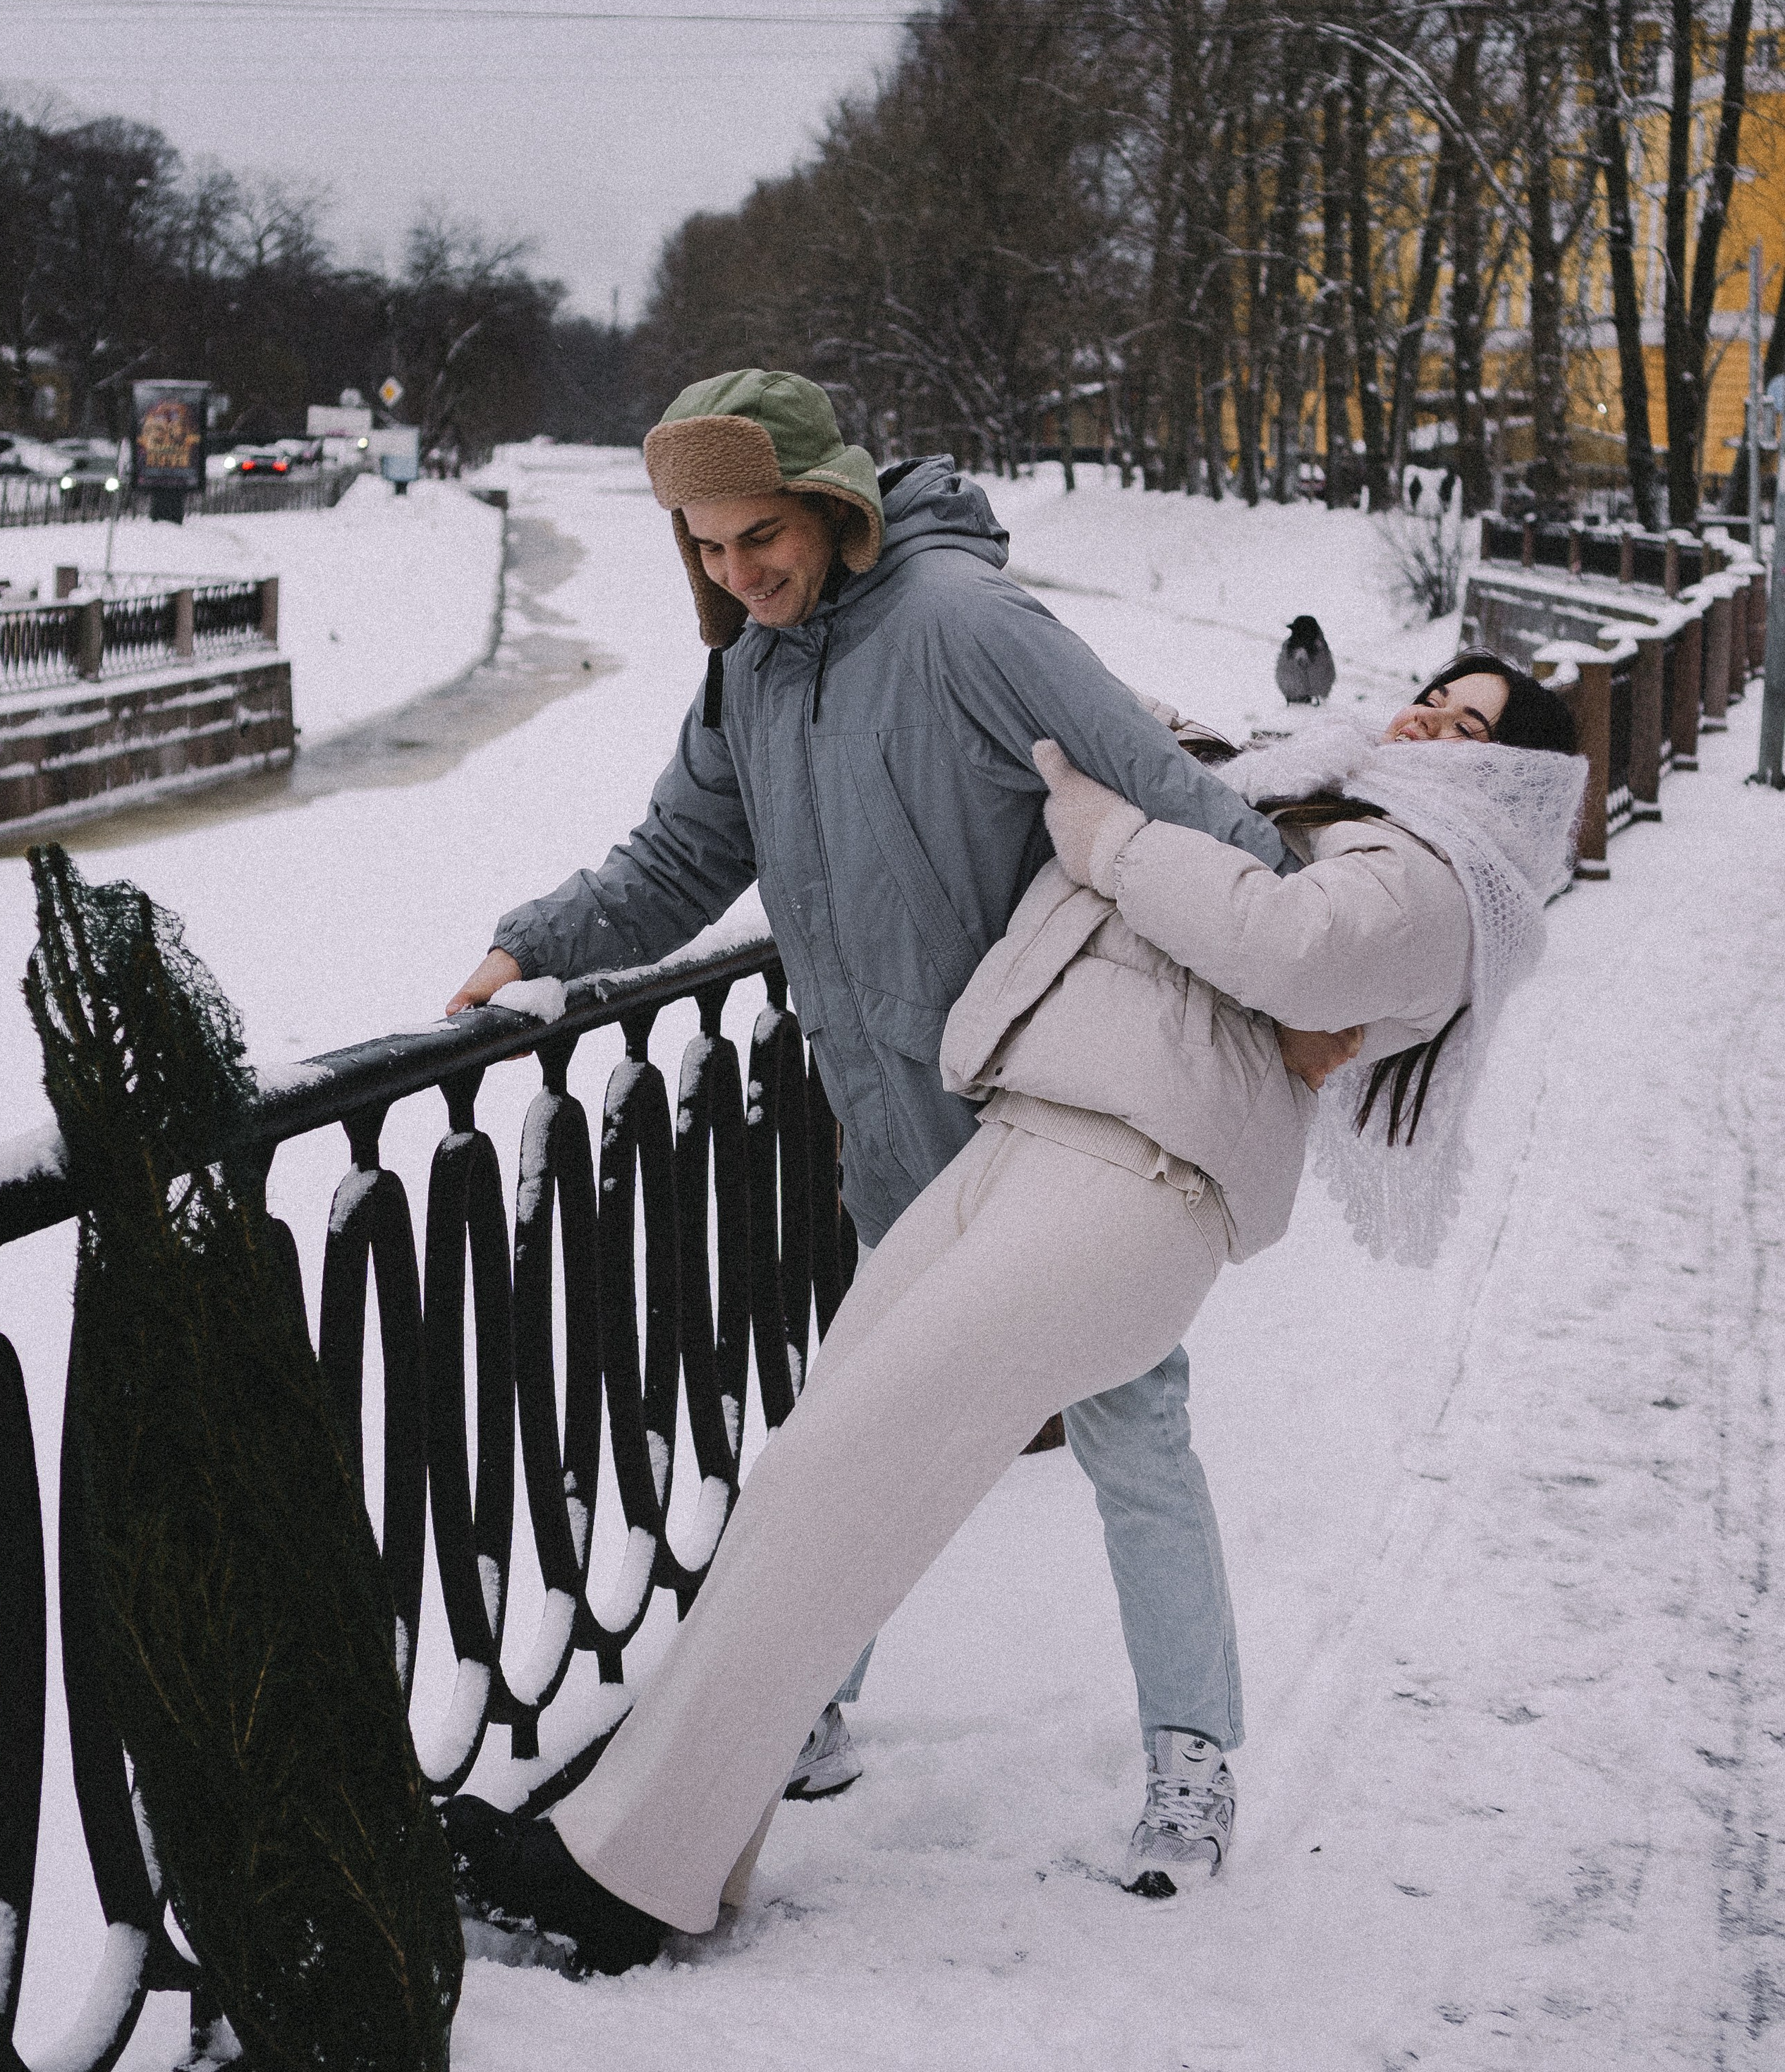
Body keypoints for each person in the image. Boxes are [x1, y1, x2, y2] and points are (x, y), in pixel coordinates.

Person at [443, 652, 1584, 1970]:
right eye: (1436, 694)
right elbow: (1185, 831)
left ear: (1505, 776)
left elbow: (1287, 950)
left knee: (843, 1480)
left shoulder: (1440, 880)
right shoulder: (1306, 795)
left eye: (1472, 725)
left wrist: (1114, 843)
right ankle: (679, 1843)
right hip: (1034, 1127)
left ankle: (623, 1880)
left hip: (1139, 1178)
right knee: (811, 1476)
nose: (1432, 721)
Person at [448, 368, 1335, 1878]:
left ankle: (1191, 1756)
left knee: (1130, 1425)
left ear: (830, 502)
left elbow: (1184, 813)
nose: (736, 574)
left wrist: (1305, 986)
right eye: (706, 549)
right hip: (890, 1131)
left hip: (1058, 1132)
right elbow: (677, 859)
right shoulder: (748, 673)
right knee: (853, 1439)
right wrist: (535, 947)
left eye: (758, 537)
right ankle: (805, 1708)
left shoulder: (965, 630)